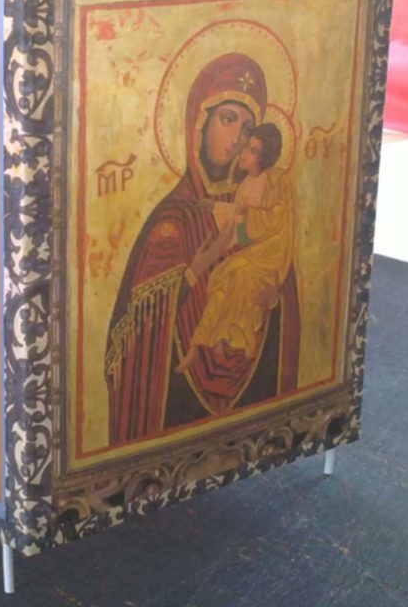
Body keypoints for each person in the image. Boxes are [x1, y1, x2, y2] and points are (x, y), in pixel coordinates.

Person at [105, 53, 299, 446]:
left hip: (251, 377)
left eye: (247, 129)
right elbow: (139, 331)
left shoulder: (260, 207)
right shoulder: (172, 221)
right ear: (199, 123)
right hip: (176, 391)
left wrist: (273, 297)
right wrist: (196, 270)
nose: (238, 138)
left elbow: (279, 280)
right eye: (228, 120)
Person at [177, 123, 294, 371]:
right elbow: (236, 222)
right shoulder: (245, 186)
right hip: (250, 253)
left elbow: (275, 221)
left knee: (238, 274)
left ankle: (233, 339)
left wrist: (241, 218)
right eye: (247, 147)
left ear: (263, 157)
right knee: (223, 277)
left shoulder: (278, 182)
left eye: (252, 150)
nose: (243, 153)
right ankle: (199, 344)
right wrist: (216, 208)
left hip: (270, 255)